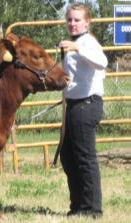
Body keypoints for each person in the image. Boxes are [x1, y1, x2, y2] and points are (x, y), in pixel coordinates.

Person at [58, 3, 108, 219]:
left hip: (87, 105)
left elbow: (102, 62)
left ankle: (92, 209)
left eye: (77, 20)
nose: (73, 24)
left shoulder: (88, 42)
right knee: (69, 157)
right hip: (74, 105)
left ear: (88, 22)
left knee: (85, 158)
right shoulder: (75, 43)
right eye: (70, 20)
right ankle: (78, 205)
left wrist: (78, 48)